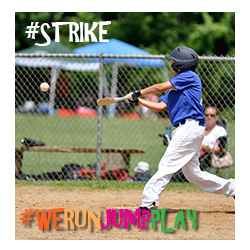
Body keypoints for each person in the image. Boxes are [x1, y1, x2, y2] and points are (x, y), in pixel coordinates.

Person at [125, 46, 235, 211]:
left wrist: (139, 92)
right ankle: (235, 188)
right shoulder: (175, 88)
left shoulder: (189, 77)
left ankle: (149, 202)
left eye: (174, 62)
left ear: (180, 66)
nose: (172, 64)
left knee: (167, 164)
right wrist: (138, 101)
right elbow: (161, 106)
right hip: (188, 129)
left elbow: (159, 87)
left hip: (189, 128)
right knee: (193, 174)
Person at [199, 106, 228, 170]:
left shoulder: (220, 130)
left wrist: (208, 149)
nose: (209, 117)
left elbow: (220, 150)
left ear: (217, 117)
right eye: (206, 115)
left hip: (208, 156)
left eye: (212, 115)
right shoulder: (201, 129)